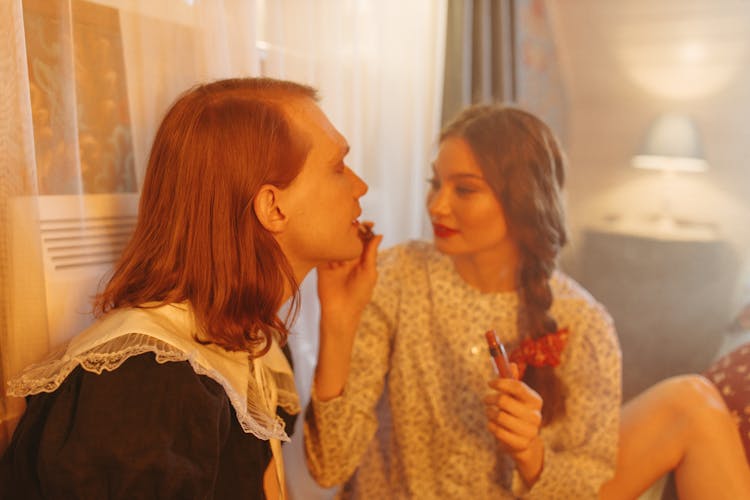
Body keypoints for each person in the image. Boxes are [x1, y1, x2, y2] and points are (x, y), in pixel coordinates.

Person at [304, 104, 750, 499]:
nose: (437, 206)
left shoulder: (584, 323)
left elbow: (587, 487)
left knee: (692, 399)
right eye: (435, 183)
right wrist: (337, 322)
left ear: (523, 198)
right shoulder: (395, 277)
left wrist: (530, 454)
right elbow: (329, 467)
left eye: (464, 189)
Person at [0, 77, 381, 499]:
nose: (360, 186)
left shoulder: (249, 340)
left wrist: (341, 316)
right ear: (273, 206)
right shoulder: (145, 386)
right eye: (338, 167)